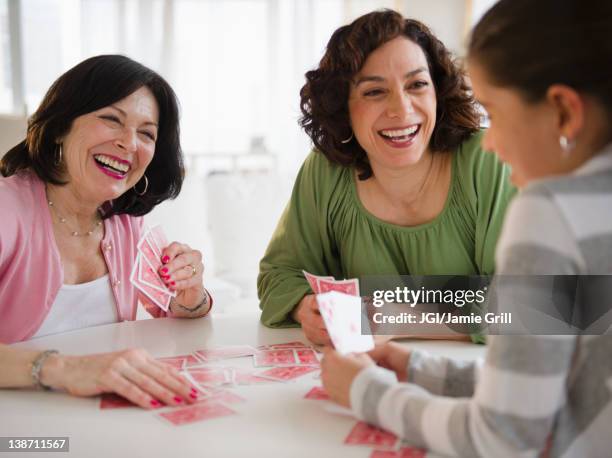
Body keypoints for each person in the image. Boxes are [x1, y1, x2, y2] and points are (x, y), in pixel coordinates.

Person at [320, 0, 612, 456]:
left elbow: (504, 438)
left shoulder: (549, 211)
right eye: (374, 92)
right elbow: (563, 369)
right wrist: (419, 368)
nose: (489, 140)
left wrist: (366, 392)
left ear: (563, 112)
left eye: (494, 111)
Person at [258, 10, 515, 345]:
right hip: (365, 381)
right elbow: (277, 277)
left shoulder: (487, 159)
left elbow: (544, 303)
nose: (402, 109)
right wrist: (305, 307)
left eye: (417, 85)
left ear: (438, 92)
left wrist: (405, 320)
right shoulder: (325, 171)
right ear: (343, 108)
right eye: (374, 92)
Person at [0, 55, 212, 409]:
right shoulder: (7, 208)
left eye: (146, 133)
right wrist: (65, 369)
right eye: (112, 120)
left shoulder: (124, 220)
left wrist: (192, 295)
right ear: (60, 127)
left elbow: (174, 313)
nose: (129, 143)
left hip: (94, 414)